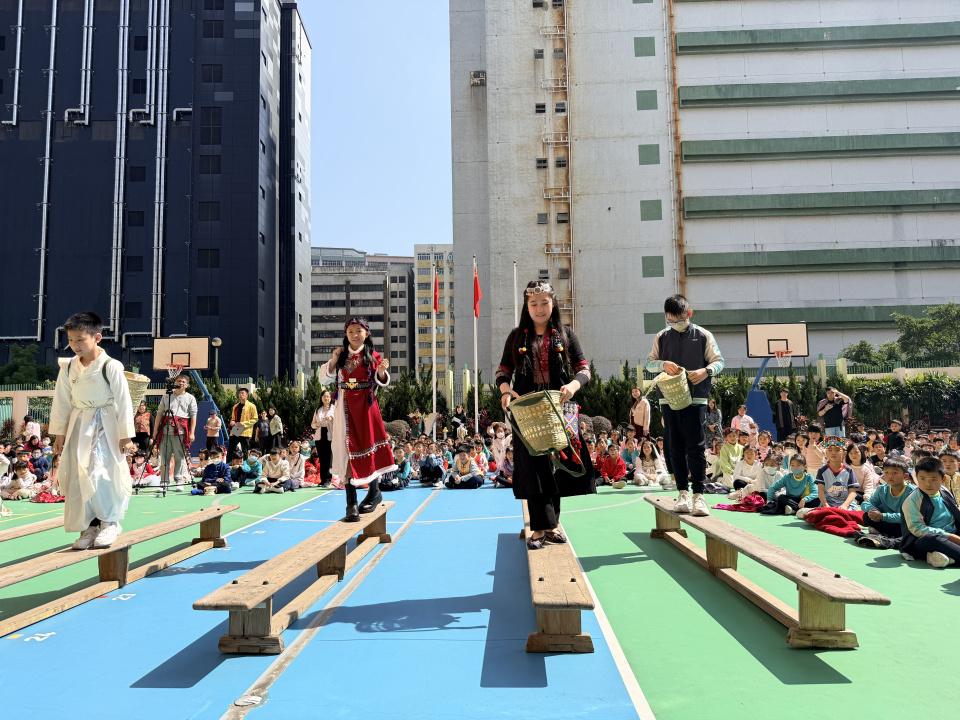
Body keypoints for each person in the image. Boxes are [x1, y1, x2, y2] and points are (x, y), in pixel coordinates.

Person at [497, 280, 595, 549]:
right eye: (533, 304)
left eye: (544, 303)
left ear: (553, 304)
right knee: (532, 467)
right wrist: (506, 392)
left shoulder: (566, 334)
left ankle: (551, 525)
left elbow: (584, 369)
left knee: (555, 466)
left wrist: (573, 386)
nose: (539, 308)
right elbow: (503, 371)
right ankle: (541, 528)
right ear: (526, 307)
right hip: (526, 411)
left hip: (558, 409)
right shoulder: (516, 336)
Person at [49, 312, 135, 550]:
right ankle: (90, 526)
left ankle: (110, 522)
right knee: (78, 475)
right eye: (70, 339)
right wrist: (59, 434)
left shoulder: (111, 366)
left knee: (102, 472)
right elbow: (62, 401)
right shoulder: (68, 367)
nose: (74, 345)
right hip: (79, 424)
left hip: (106, 424)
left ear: (97, 337)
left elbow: (123, 401)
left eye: (80, 339)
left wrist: (126, 435)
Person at [645, 294, 725, 516]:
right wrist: (663, 364)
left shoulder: (703, 335)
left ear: (689, 314)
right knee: (675, 447)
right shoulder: (661, 337)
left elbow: (719, 361)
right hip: (669, 398)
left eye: (680, 319)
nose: (675, 324)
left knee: (696, 446)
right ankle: (683, 493)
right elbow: (650, 364)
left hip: (696, 398)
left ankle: (699, 495)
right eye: (670, 320)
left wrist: (706, 371)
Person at [319, 318, 395, 520]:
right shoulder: (341, 355)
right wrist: (334, 359)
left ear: (366, 333)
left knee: (369, 446)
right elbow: (324, 377)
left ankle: (374, 492)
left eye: (358, 330)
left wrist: (381, 372)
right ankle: (351, 504)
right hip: (344, 406)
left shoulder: (373, 355)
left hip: (366, 407)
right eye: (350, 331)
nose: (354, 335)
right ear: (346, 334)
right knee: (346, 448)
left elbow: (381, 381)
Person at [900, 456, 960, 567]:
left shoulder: (945, 491)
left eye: (933, 479)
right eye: (922, 479)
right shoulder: (913, 499)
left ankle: (947, 557)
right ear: (917, 478)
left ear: (943, 480)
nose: (927, 483)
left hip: (953, 534)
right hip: (925, 540)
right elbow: (917, 528)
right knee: (929, 539)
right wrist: (949, 536)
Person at [152, 373, 197, 491]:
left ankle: (179, 481)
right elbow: (159, 414)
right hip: (165, 431)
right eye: (178, 381)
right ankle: (164, 482)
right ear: (174, 383)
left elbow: (193, 416)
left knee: (179, 458)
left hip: (180, 431)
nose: (180, 383)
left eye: (183, 382)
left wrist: (192, 432)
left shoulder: (190, 398)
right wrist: (155, 431)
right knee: (164, 459)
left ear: (187, 385)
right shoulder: (166, 396)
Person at [859, 456, 913, 539]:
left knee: (908, 528)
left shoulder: (911, 492)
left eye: (895, 473)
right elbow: (865, 504)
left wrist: (882, 516)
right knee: (866, 516)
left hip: (902, 524)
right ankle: (887, 533)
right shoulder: (882, 489)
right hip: (886, 521)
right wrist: (873, 511)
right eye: (886, 472)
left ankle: (884, 532)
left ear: (905, 476)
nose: (890, 476)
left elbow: (908, 517)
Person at [815, 436, 859, 510]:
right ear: (826, 453)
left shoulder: (849, 471)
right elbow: (820, 491)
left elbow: (852, 492)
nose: (833, 453)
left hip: (846, 504)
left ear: (844, 453)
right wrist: (826, 505)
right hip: (828, 503)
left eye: (837, 450)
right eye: (830, 450)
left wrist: (845, 505)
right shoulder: (822, 471)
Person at [311, 390, 335, 487]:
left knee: (329, 458)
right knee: (322, 458)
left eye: (328, 396)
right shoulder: (318, 410)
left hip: (330, 434)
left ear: (331, 398)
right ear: (321, 398)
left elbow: (339, 422)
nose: (326, 398)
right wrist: (317, 424)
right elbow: (312, 425)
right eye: (324, 396)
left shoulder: (334, 409)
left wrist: (332, 419)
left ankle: (328, 479)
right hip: (320, 435)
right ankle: (323, 480)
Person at [227, 388, 258, 461]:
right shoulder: (236, 406)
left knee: (245, 451)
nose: (241, 395)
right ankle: (228, 465)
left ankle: (244, 466)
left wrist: (244, 423)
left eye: (242, 393)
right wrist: (232, 421)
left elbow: (255, 419)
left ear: (247, 395)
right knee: (230, 450)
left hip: (245, 431)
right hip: (236, 430)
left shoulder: (252, 406)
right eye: (240, 393)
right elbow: (233, 418)